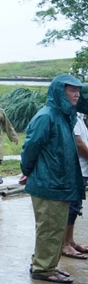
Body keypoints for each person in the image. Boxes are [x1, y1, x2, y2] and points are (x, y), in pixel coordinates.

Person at [20, 74, 84, 284]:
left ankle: (47, 264)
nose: (77, 94)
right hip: (49, 182)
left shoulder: (65, 115)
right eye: (71, 90)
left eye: (78, 90)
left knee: (56, 227)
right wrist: (26, 170)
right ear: (59, 92)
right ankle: (43, 269)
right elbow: (30, 147)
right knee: (49, 228)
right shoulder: (47, 116)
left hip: (60, 182)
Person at [62, 111, 88, 260]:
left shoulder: (79, 117)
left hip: (82, 169)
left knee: (75, 206)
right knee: (71, 208)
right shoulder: (72, 117)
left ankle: (70, 241)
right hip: (75, 169)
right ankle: (65, 244)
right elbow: (78, 144)